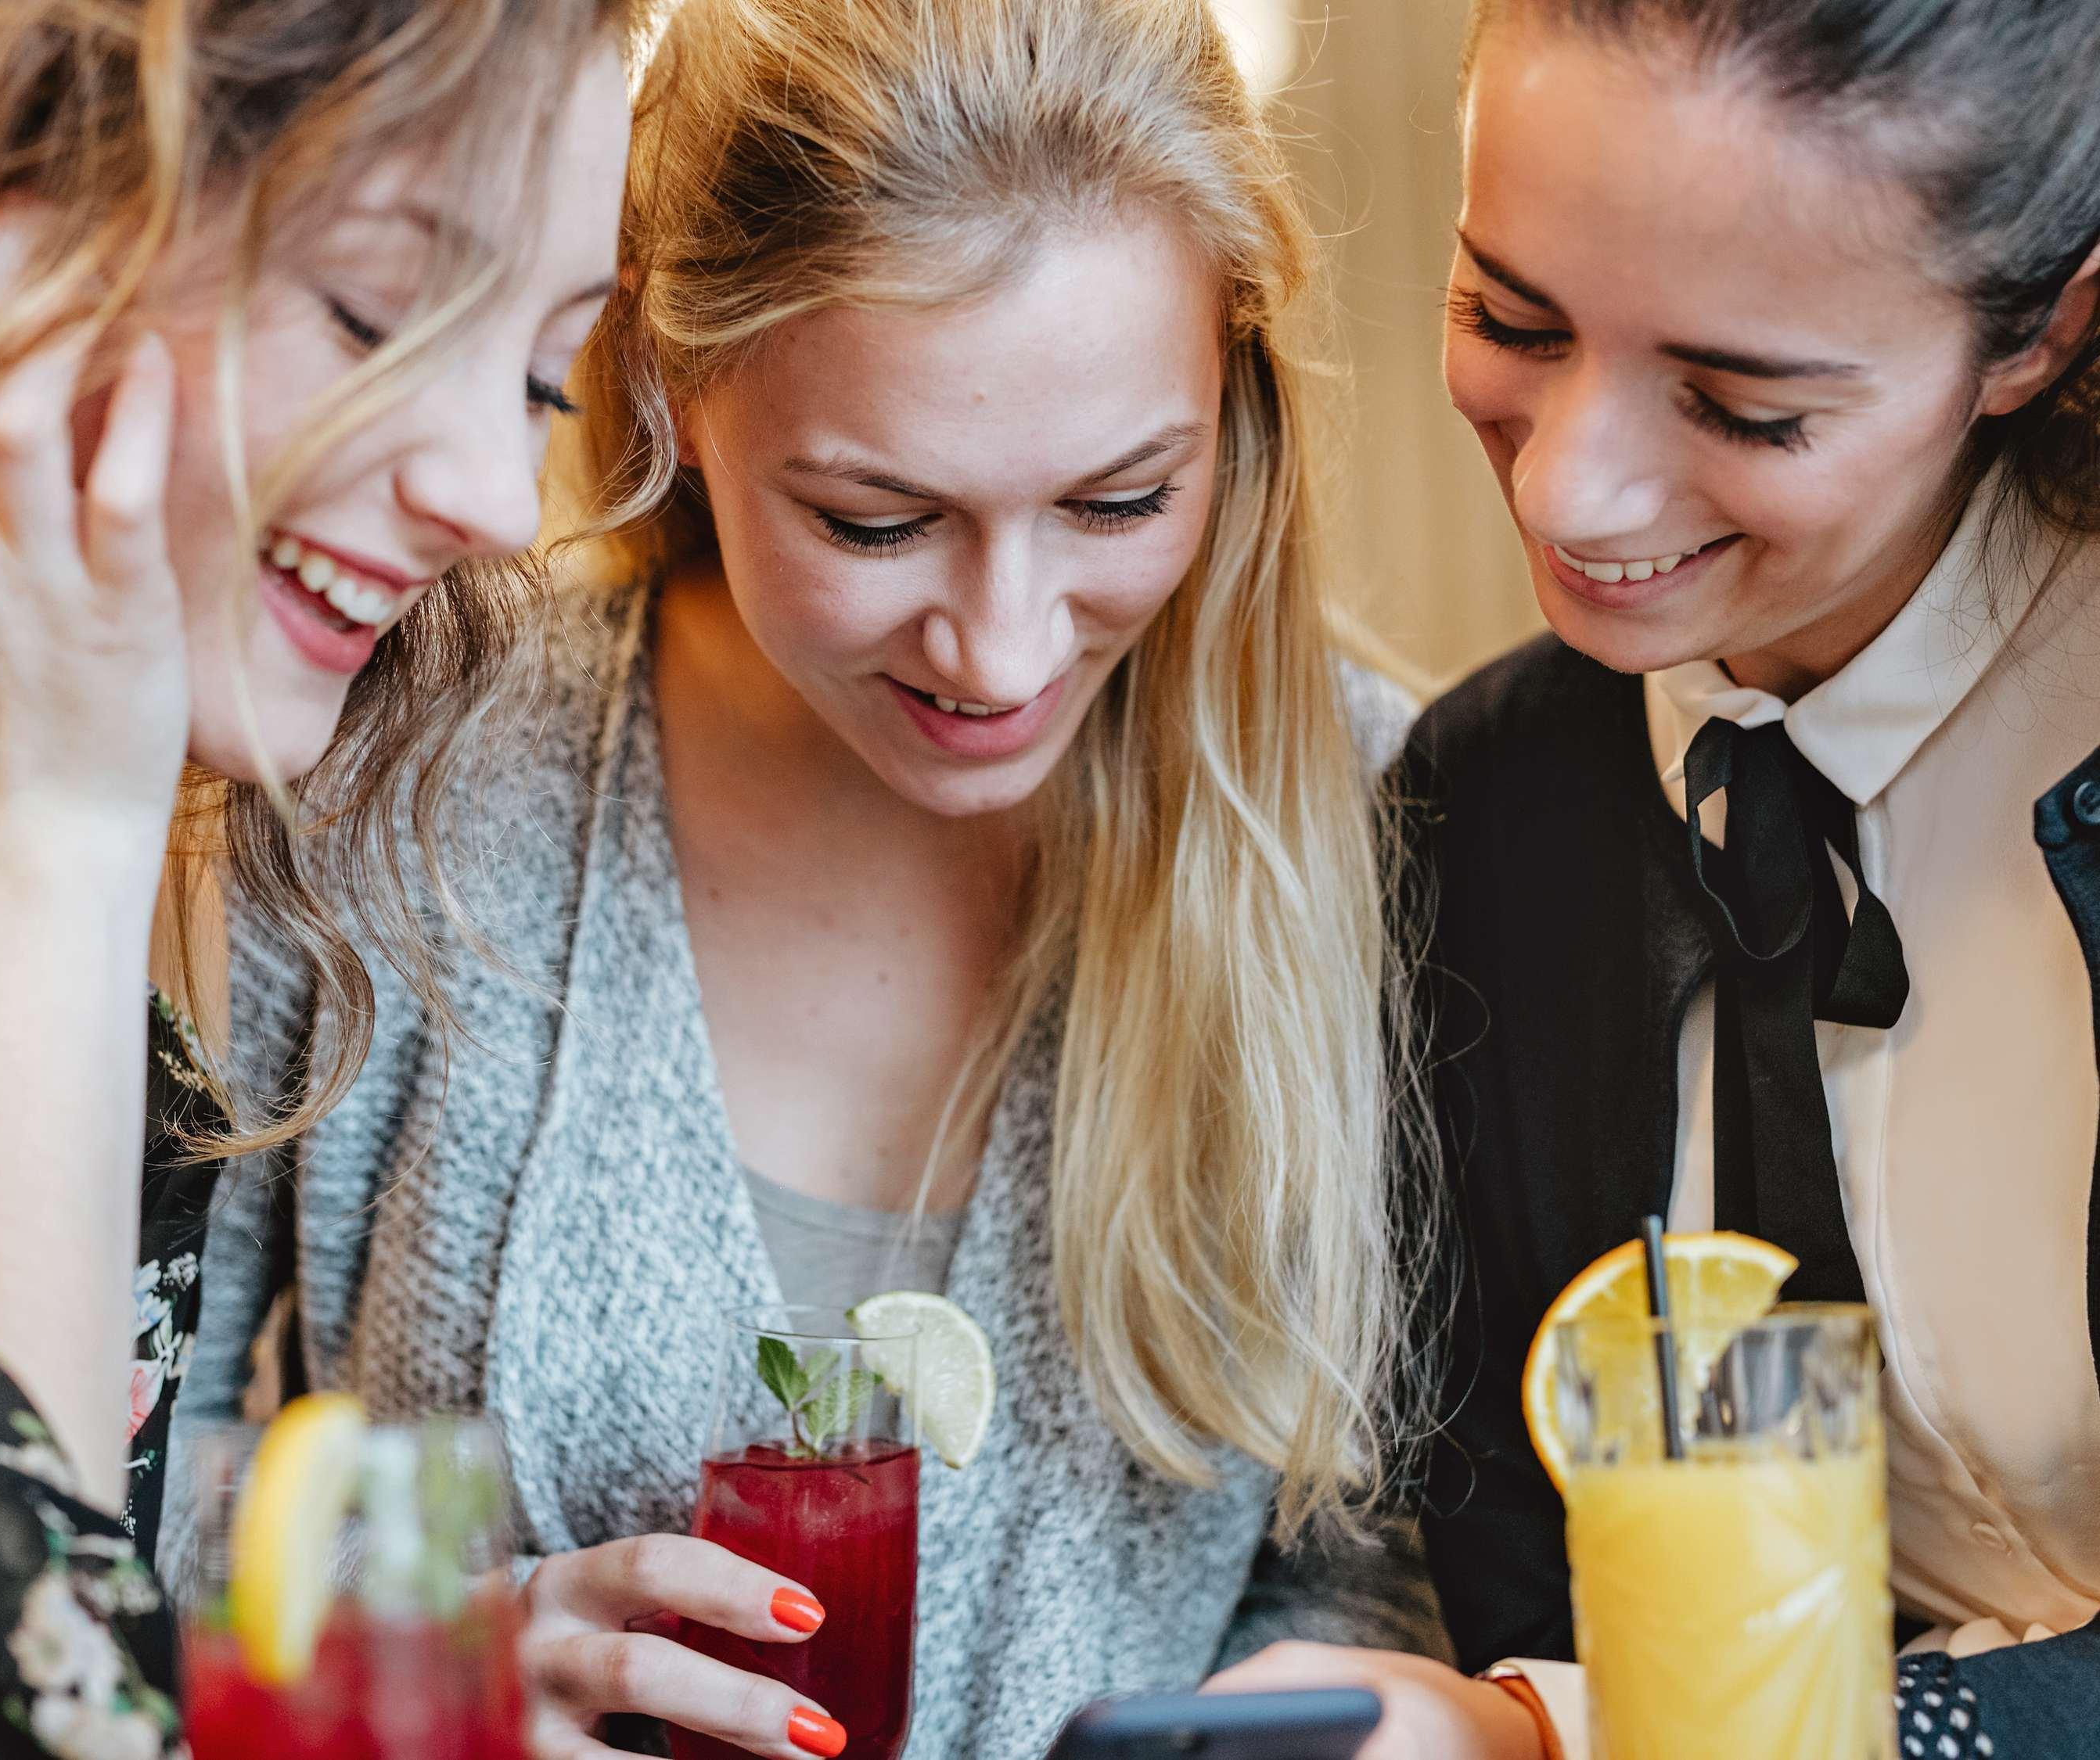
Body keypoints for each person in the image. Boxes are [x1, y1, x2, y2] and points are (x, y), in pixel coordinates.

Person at [184, 0, 1451, 1755]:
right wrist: (423, 1654)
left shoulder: (1386, 817)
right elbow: (54, 1457)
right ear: (666, 388)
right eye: (875, 520)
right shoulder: (389, 760)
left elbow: (1379, 1570)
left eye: (1118, 502)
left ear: (1228, 398)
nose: (1002, 653)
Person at [1214, 0, 2100, 1755]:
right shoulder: (1480, 809)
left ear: (2045, 331)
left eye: (1743, 403)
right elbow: (1525, 1576)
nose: (1570, 489)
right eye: (1508, 318)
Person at [0, 0, 627, 1751]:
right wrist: (41, 848)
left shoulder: (134, 958)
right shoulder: (58, 850)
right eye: (378, 310)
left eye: (542, 380)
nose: (499, 497)